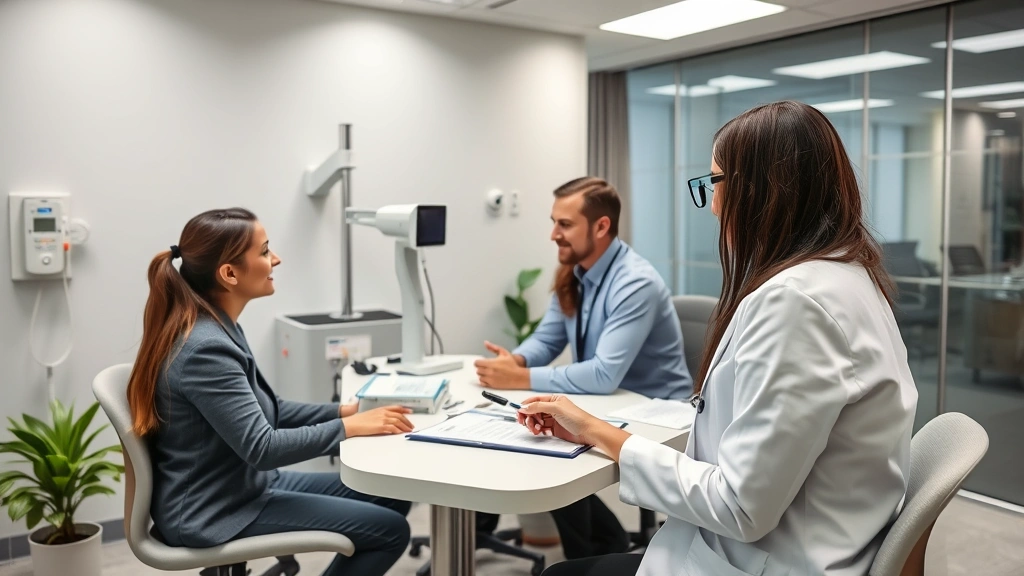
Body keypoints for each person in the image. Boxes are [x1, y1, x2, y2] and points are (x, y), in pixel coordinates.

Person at [518, 101, 919, 576]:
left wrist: (596, 431)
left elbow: (739, 508)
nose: (711, 205)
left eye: (715, 182)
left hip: (772, 557)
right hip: (810, 538)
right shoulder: (848, 276)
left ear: (763, 189)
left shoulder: (797, 303)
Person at [127, 208, 415, 576]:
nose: (275, 259)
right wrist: (351, 429)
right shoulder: (205, 349)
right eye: (264, 252)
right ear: (229, 273)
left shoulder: (217, 324)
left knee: (391, 493)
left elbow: (271, 408)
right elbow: (262, 448)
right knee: (391, 531)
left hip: (244, 486)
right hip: (214, 510)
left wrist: (346, 411)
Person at [473, 177, 693, 560]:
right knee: (534, 436)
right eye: (554, 221)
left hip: (658, 411)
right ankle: (600, 547)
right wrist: (517, 361)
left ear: (601, 226)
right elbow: (547, 339)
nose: (553, 234)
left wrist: (520, 379)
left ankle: (600, 550)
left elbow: (604, 374)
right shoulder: (575, 273)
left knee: (551, 450)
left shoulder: (635, 282)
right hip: (609, 403)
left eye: (565, 224)